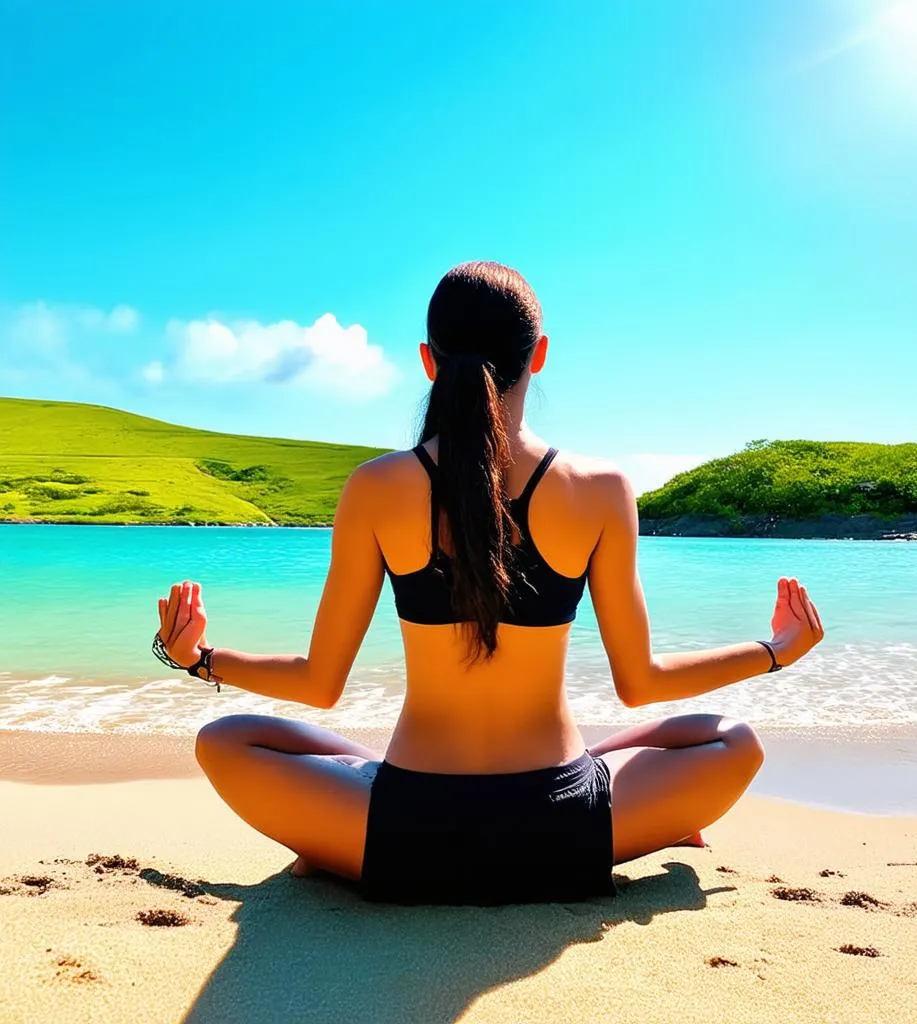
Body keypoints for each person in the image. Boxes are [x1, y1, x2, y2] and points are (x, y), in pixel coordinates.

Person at [154, 260, 824, 906]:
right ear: (538, 356)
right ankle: (633, 805)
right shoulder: (600, 489)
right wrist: (775, 650)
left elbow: (318, 683)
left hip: (404, 837)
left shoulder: (377, 487)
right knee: (733, 739)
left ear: (427, 360)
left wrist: (199, 660)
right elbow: (640, 683)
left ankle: (334, 843)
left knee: (227, 739)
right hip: (564, 832)